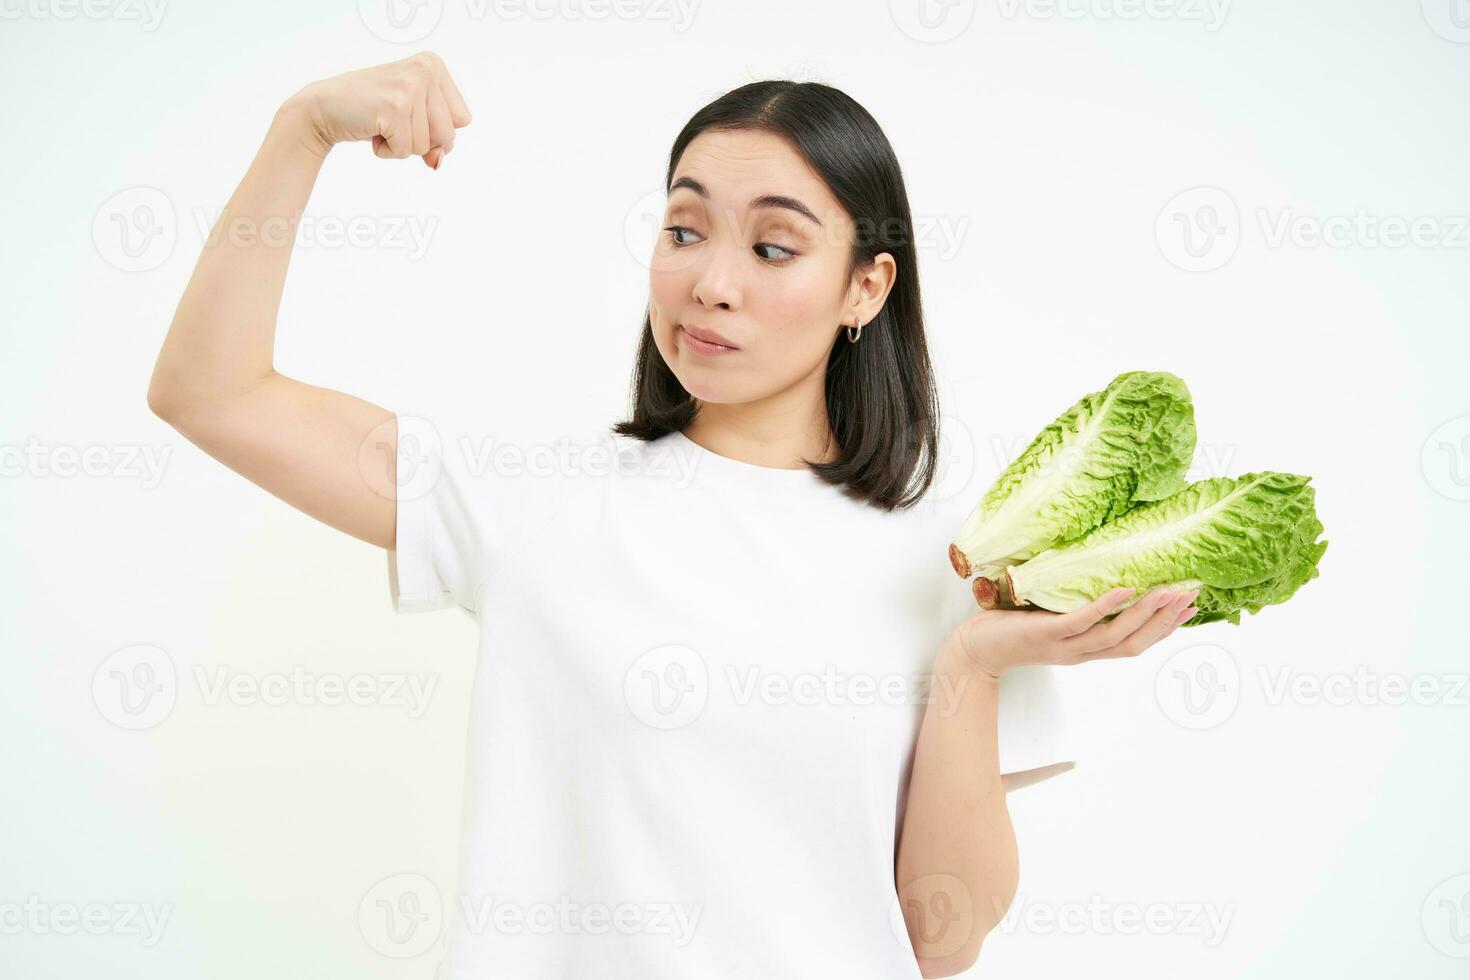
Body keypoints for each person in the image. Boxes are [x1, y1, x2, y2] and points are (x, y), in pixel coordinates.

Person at [146, 52, 1200, 980]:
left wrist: (972, 664)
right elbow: (212, 392)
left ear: (866, 289)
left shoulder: (955, 559)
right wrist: (304, 129)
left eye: (774, 248)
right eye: (684, 228)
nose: (710, 282)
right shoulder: (536, 500)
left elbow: (942, 938)